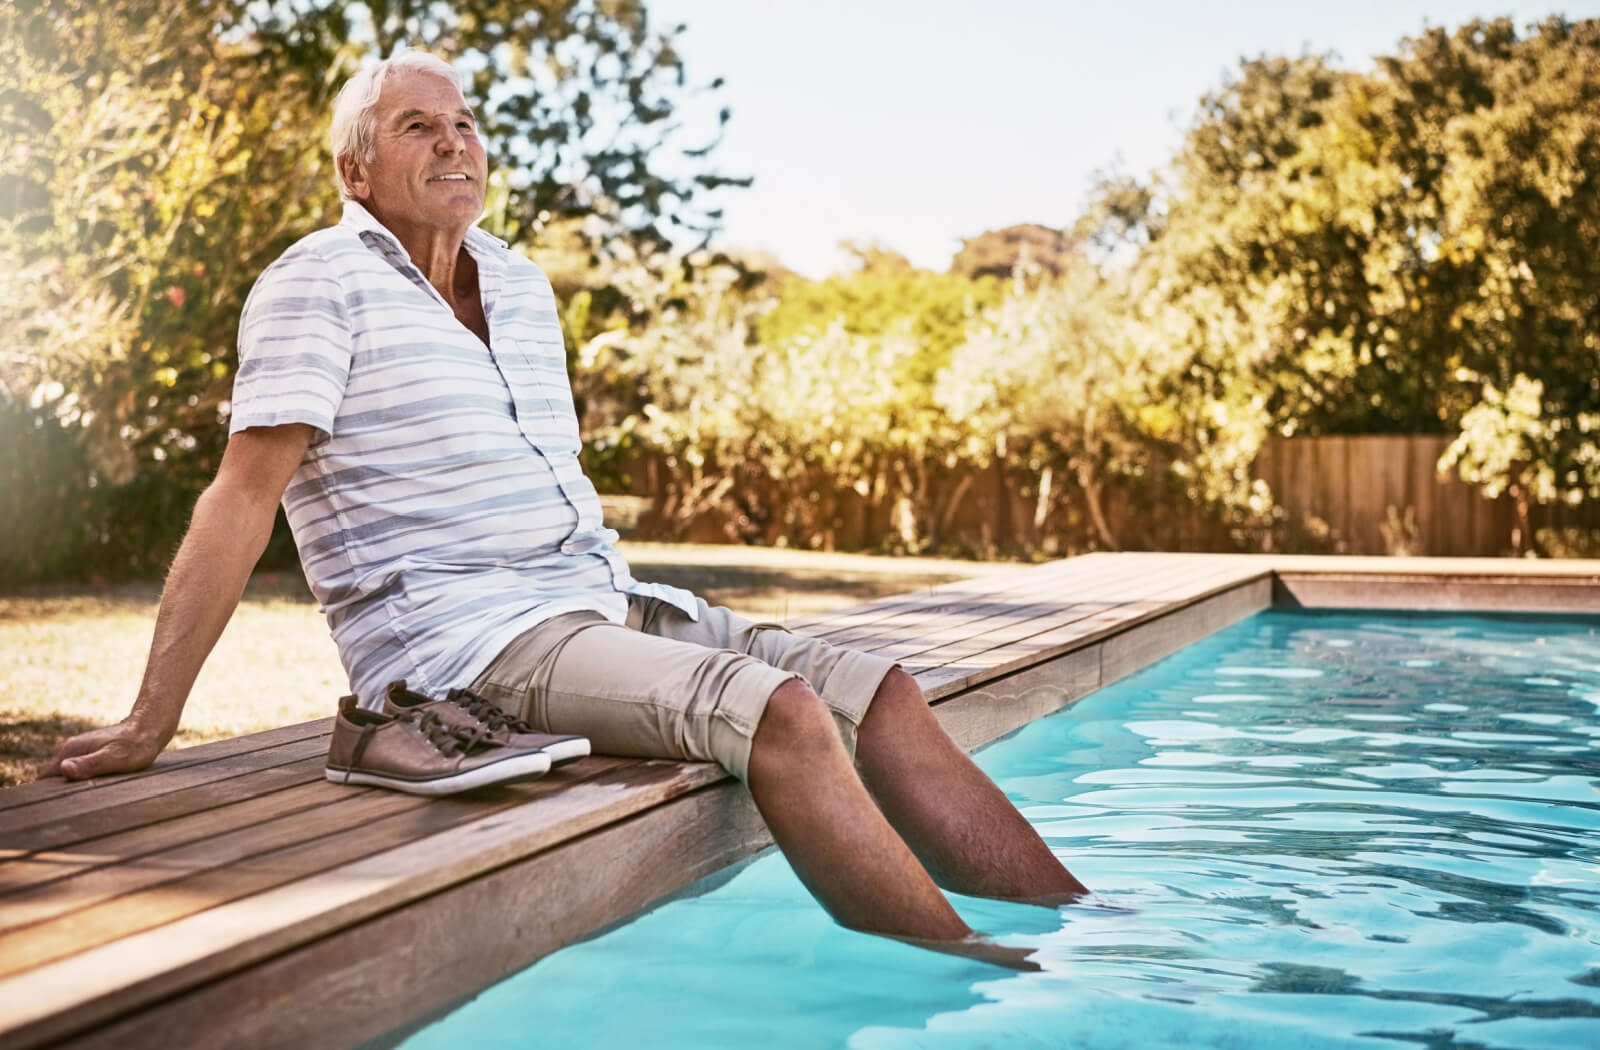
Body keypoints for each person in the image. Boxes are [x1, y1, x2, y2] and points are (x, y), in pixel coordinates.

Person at [41, 51, 1086, 945]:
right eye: (417, 128)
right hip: (462, 643)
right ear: (356, 170)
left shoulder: (521, 285)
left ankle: (1078, 935)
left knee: (886, 691)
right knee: (785, 714)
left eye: (464, 124)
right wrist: (152, 717)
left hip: (599, 601)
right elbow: (242, 495)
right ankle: (979, 982)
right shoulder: (318, 281)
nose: (455, 144)